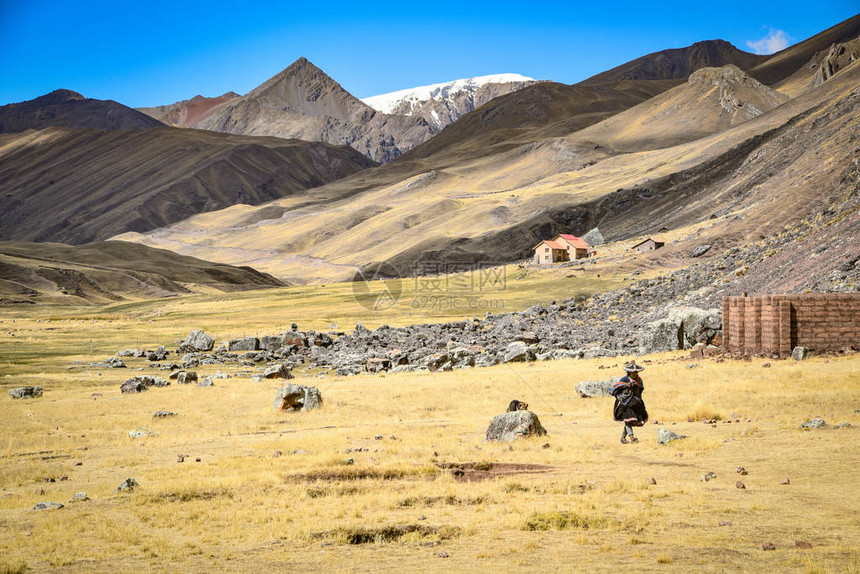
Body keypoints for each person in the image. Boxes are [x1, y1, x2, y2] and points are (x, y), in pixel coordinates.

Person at [610, 362, 648, 444]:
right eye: (633, 372)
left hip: (634, 403)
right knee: (628, 420)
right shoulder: (624, 380)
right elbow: (617, 390)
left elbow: (640, 391)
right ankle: (632, 438)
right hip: (624, 403)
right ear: (629, 372)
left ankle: (622, 438)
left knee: (630, 420)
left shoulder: (639, 380)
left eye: (636, 372)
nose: (635, 374)